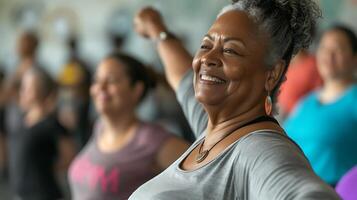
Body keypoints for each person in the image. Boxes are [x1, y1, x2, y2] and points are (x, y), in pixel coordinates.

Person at [130, 0, 340, 199]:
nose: (207, 58)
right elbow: (182, 76)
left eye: (230, 50)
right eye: (205, 45)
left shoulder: (260, 149)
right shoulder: (213, 130)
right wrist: (156, 29)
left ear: (272, 74)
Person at [68, 52, 190, 200]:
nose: (100, 87)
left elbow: (206, 176)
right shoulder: (99, 128)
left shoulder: (151, 139)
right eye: (97, 80)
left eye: (111, 80)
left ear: (136, 90)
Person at [284, 25, 357, 186]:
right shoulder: (307, 102)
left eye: (337, 49)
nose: (328, 55)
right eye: (324, 48)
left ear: (354, 58)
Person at [7, 67, 76, 200]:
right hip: (21, 194)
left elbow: (69, 157)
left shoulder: (51, 124)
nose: (23, 92)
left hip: (44, 194)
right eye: (23, 88)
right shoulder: (22, 119)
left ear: (41, 92)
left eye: (28, 88)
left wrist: (45, 167)